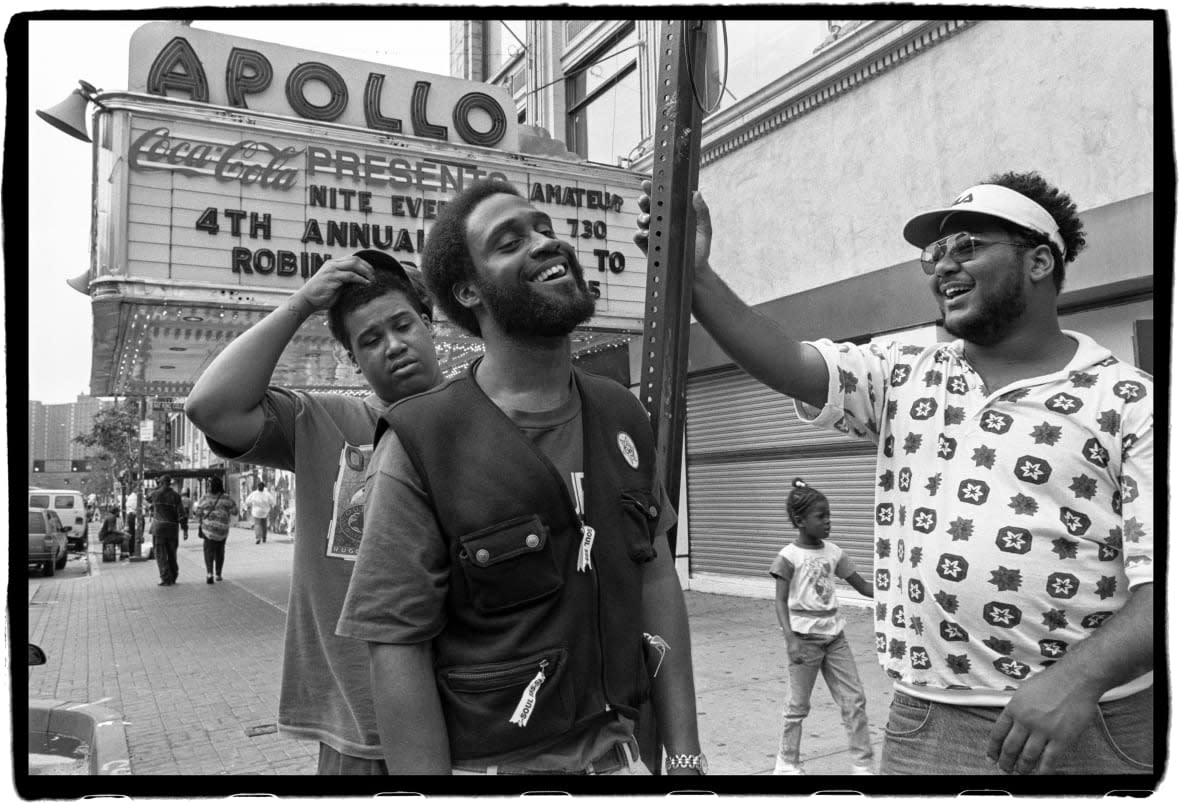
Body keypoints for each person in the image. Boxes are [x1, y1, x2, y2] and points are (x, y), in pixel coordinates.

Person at [635, 171, 1153, 775]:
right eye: (935, 254)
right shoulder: (906, 373)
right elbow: (791, 362)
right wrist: (697, 278)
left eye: (968, 247)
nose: (943, 267)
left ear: (1039, 261)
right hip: (927, 722)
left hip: (1090, 726)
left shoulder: (1130, 401)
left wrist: (1079, 681)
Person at [337, 179, 703, 775]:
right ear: (467, 291)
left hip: (620, 761)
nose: (545, 243)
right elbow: (396, 649)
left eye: (544, 229)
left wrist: (685, 758)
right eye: (510, 242)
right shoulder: (420, 444)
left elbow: (657, 581)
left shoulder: (621, 412)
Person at [185, 249, 444, 774]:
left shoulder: (482, 422)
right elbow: (210, 407)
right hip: (355, 730)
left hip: (473, 722)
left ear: (429, 324)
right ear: (352, 359)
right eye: (369, 340)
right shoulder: (322, 422)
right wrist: (300, 304)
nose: (393, 346)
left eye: (402, 325)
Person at [770, 478, 875, 776]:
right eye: (821, 516)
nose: (828, 521)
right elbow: (779, 602)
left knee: (854, 700)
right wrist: (790, 639)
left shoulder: (833, 552)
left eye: (829, 515)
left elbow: (863, 586)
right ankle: (786, 763)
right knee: (797, 706)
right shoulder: (788, 557)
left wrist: (893, 590)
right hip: (804, 641)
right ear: (800, 521)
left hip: (835, 639)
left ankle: (863, 765)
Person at [195, 477, 237, 584]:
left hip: (209, 530)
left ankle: (209, 574)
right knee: (220, 551)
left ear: (211, 486)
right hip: (222, 530)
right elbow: (235, 511)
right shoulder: (226, 498)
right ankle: (218, 574)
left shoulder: (205, 498)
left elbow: (198, 512)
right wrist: (225, 509)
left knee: (208, 551)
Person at [148, 475, 184, 586]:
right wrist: (185, 529)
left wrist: (157, 486)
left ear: (161, 483)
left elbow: (147, 498)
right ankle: (173, 576)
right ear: (170, 483)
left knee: (160, 554)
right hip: (172, 529)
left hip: (159, 528)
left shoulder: (155, 494)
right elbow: (182, 514)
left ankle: (165, 578)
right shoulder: (176, 496)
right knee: (172, 553)